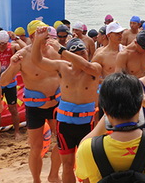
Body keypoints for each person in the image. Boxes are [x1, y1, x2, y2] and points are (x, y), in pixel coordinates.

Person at [76, 73, 145, 183]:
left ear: (105, 111)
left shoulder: (88, 149)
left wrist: (107, 113)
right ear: (140, 106)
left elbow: (83, 147)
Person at [31, 27, 102, 183]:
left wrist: (62, 49)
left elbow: (87, 66)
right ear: (69, 57)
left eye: (83, 53)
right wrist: (37, 40)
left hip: (87, 125)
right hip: (65, 125)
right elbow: (37, 61)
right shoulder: (63, 67)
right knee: (67, 164)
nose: (80, 57)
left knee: (86, 165)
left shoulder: (94, 69)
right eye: (76, 54)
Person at [0, 22, 62, 183]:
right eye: (43, 34)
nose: (47, 37)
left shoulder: (55, 51)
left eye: (48, 34)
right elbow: (3, 81)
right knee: (36, 147)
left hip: (56, 103)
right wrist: (12, 66)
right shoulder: (22, 56)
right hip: (35, 107)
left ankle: (53, 174)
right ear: (33, 36)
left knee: (63, 142)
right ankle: (36, 180)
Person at [0, 30, 21, 139]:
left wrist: (16, 38)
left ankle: (17, 132)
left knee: (13, 108)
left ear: (7, 42)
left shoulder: (12, 47)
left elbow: (26, 49)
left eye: (3, 44)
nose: (1, 46)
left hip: (10, 82)